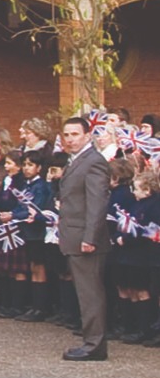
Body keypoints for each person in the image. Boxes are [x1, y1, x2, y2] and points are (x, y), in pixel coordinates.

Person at [56, 113, 111, 360]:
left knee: (90, 294)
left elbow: (97, 204)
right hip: (73, 235)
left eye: (75, 134)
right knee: (84, 292)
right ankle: (91, 340)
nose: (70, 139)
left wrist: (90, 237)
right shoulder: (76, 160)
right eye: (66, 135)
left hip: (86, 239)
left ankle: (94, 345)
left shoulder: (93, 161)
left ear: (88, 135)